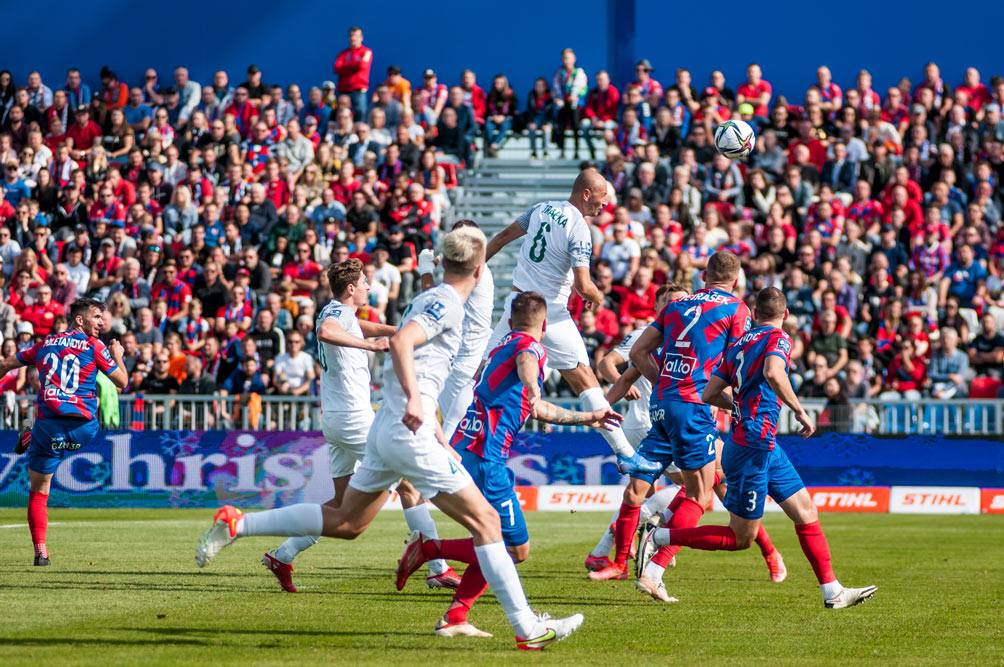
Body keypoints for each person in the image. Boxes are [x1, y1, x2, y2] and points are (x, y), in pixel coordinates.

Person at [195, 228, 584, 650]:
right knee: (489, 524)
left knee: (348, 522)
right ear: (478, 269)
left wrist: (435, 426)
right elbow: (401, 342)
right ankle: (525, 628)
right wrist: (416, 402)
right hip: (404, 430)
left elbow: (412, 347)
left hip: (387, 426)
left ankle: (238, 523)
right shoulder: (446, 303)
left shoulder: (432, 298)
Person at [396, 291, 621, 637]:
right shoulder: (531, 348)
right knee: (515, 548)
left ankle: (455, 616)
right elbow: (529, 362)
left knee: (491, 538)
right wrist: (533, 383)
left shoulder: (500, 348)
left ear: (512, 320)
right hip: (486, 459)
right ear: (544, 325)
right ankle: (429, 550)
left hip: (467, 450)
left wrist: (589, 417)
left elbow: (539, 409)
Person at [638, 287, 877, 609]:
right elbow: (773, 372)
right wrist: (799, 410)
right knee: (741, 538)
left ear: (753, 313)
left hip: (760, 443)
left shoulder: (739, 344)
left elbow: (709, 393)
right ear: (785, 314)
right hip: (753, 445)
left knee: (806, 511)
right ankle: (659, 536)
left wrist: (740, 407)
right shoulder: (779, 338)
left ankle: (832, 591)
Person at [260, 258, 458, 592]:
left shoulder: (338, 312)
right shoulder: (336, 315)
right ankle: (437, 567)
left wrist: (396, 332)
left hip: (335, 418)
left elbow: (356, 326)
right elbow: (327, 332)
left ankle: (282, 555)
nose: (369, 286)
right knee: (409, 484)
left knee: (340, 505)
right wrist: (370, 346)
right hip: (354, 418)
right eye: (365, 282)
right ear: (351, 288)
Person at [484, 169, 659, 476]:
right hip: (548, 313)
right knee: (585, 380)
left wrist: (471, 269)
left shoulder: (540, 209)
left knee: (481, 373)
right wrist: (599, 297)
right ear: (586, 194)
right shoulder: (579, 227)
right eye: (602, 197)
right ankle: (626, 454)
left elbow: (499, 239)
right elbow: (584, 284)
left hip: (516, 307)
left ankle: (454, 439)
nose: (605, 204)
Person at [593, 252, 750, 583]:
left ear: (703, 275)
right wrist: (737, 403)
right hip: (692, 409)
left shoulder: (676, 307)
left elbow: (637, 354)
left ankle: (618, 560)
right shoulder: (736, 308)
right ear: (736, 281)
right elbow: (738, 362)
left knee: (636, 491)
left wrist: (664, 382)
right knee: (700, 495)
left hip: (661, 406)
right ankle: (656, 560)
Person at [1, 298, 127, 565]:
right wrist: (117, 355)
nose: (102, 322)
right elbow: (122, 381)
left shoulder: (45, 343)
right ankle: (31, 435)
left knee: (39, 491)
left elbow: (8, 364)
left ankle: (40, 552)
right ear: (79, 320)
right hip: (83, 429)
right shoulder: (95, 346)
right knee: (93, 409)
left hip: (48, 428)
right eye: (96, 317)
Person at [418, 221, 495, 441]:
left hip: (464, 365)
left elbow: (433, 301)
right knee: (463, 439)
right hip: (466, 362)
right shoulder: (474, 268)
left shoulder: (473, 270)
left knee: (456, 439)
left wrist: (425, 270)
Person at [333, 26, 373, 120]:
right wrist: (355, 66)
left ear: (361, 38)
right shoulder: (343, 54)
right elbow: (337, 68)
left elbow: (362, 65)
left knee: (360, 114)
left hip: (358, 91)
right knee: (339, 115)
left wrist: (345, 66)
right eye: (351, 36)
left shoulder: (366, 52)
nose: (353, 38)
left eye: (356, 36)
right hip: (343, 90)